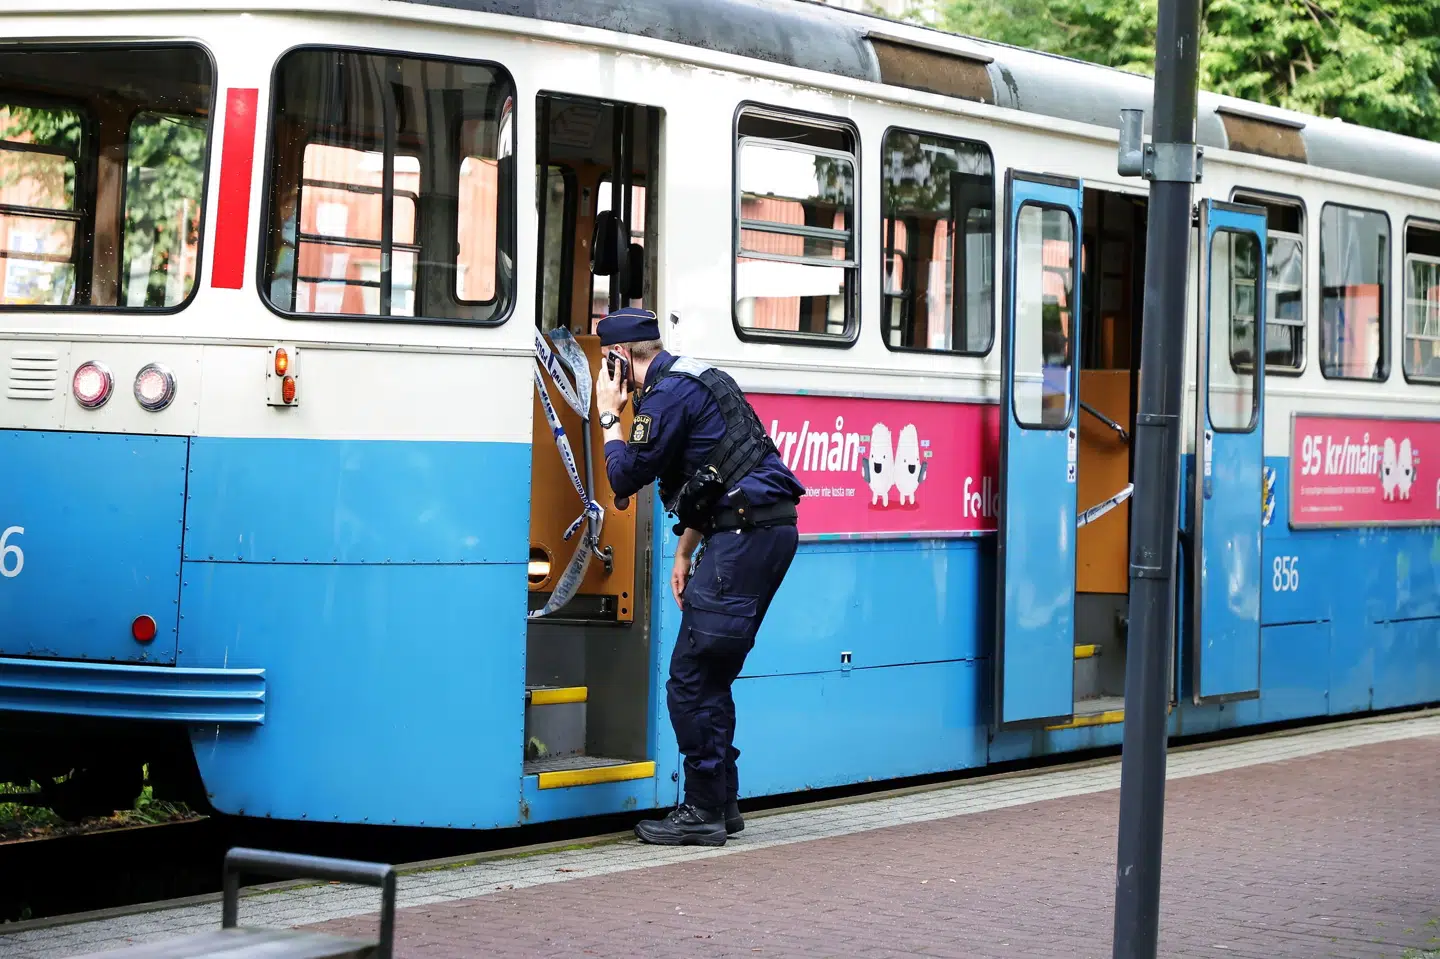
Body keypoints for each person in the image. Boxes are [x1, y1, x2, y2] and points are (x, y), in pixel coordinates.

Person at [593, 307, 804, 847]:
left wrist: (608, 414)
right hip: (756, 532)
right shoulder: (701, 375)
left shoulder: (661, 398)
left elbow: (624, 475)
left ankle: (704, 810)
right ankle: (723, 803)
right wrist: (686, 549)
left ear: (618, 360)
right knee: (710, 674)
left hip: (743, 538)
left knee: (689, 679)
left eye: (604, 362)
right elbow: (718, 472)